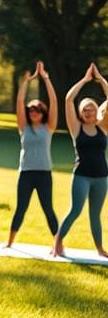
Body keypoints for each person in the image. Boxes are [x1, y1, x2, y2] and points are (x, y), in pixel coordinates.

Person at [52, 63, 108, 257]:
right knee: (75, 210)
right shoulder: (76, 129)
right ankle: (57, 242)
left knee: (95, 215)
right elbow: (69, 100)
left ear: (97, 112)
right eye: (84, 109)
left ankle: (100, 249)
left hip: (102, 177)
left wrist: (100, 80)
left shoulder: (104, 127)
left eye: (91, 109)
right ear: (81, 113)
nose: (88, 112)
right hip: (82, 176)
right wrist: (85, 80)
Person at [7, 61, 59, 247]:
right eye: (31, 110)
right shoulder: (24, 127)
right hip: (26, 173)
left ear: (42, 113)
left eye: (37, 110)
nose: (33, 112)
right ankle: (10, 243)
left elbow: (54, 101)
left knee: (48, 209)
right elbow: (20, 102)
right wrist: (26, 82)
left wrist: (45, 78)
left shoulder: (49, 127)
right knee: (21, 208)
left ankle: (58, 244)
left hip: (44, 173)